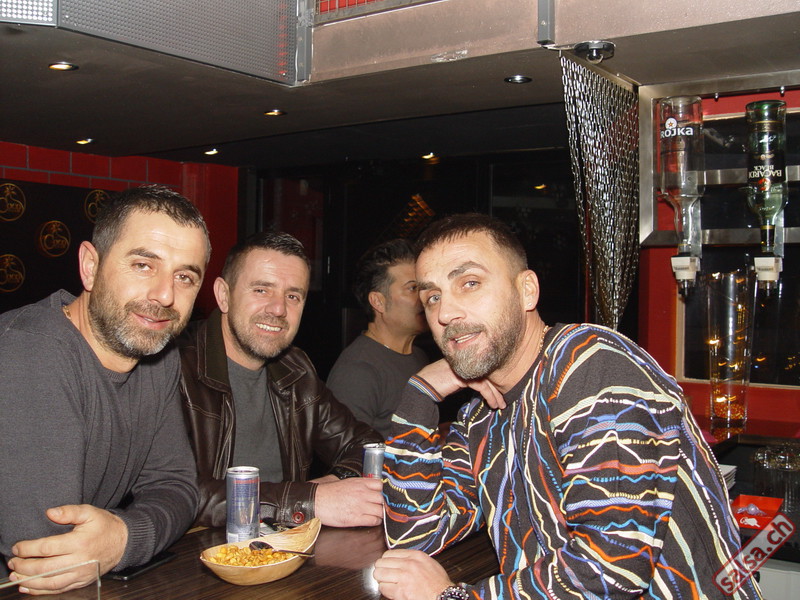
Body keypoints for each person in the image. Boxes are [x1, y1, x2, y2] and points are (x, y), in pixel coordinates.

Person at [374, 214, 760, 600]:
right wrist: (419, 393)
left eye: (470, 283)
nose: (445, 314)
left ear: (527, 291)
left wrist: (451, 596)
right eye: (432, 298)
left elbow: (610, 569)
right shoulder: (482, 415)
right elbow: (415, 535)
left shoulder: (592, 366)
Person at [0, 185, 210, 594]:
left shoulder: (157, 354)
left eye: (185, 277)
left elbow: (178, 487)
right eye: (143, 265)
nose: (165, 295)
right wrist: (124, 537)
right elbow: (49, 553)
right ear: (90, 266)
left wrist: (124, 537)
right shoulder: (30, 352)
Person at [177, 230, 385, 530]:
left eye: (292, 296)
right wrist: (307, 501)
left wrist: (329, 486)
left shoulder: (295, 369)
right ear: (224, 295)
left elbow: (367, 445)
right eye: (262, 290)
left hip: (284, 546)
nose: (278, 309)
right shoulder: (174, 368)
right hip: (200, 552)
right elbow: (175, 492)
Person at [327, 239, 429, 439]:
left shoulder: (419, 356)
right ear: (378, 302)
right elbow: (347, 452)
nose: (424, 296)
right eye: (412, 288)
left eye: (424, 287)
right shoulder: (358, 371)